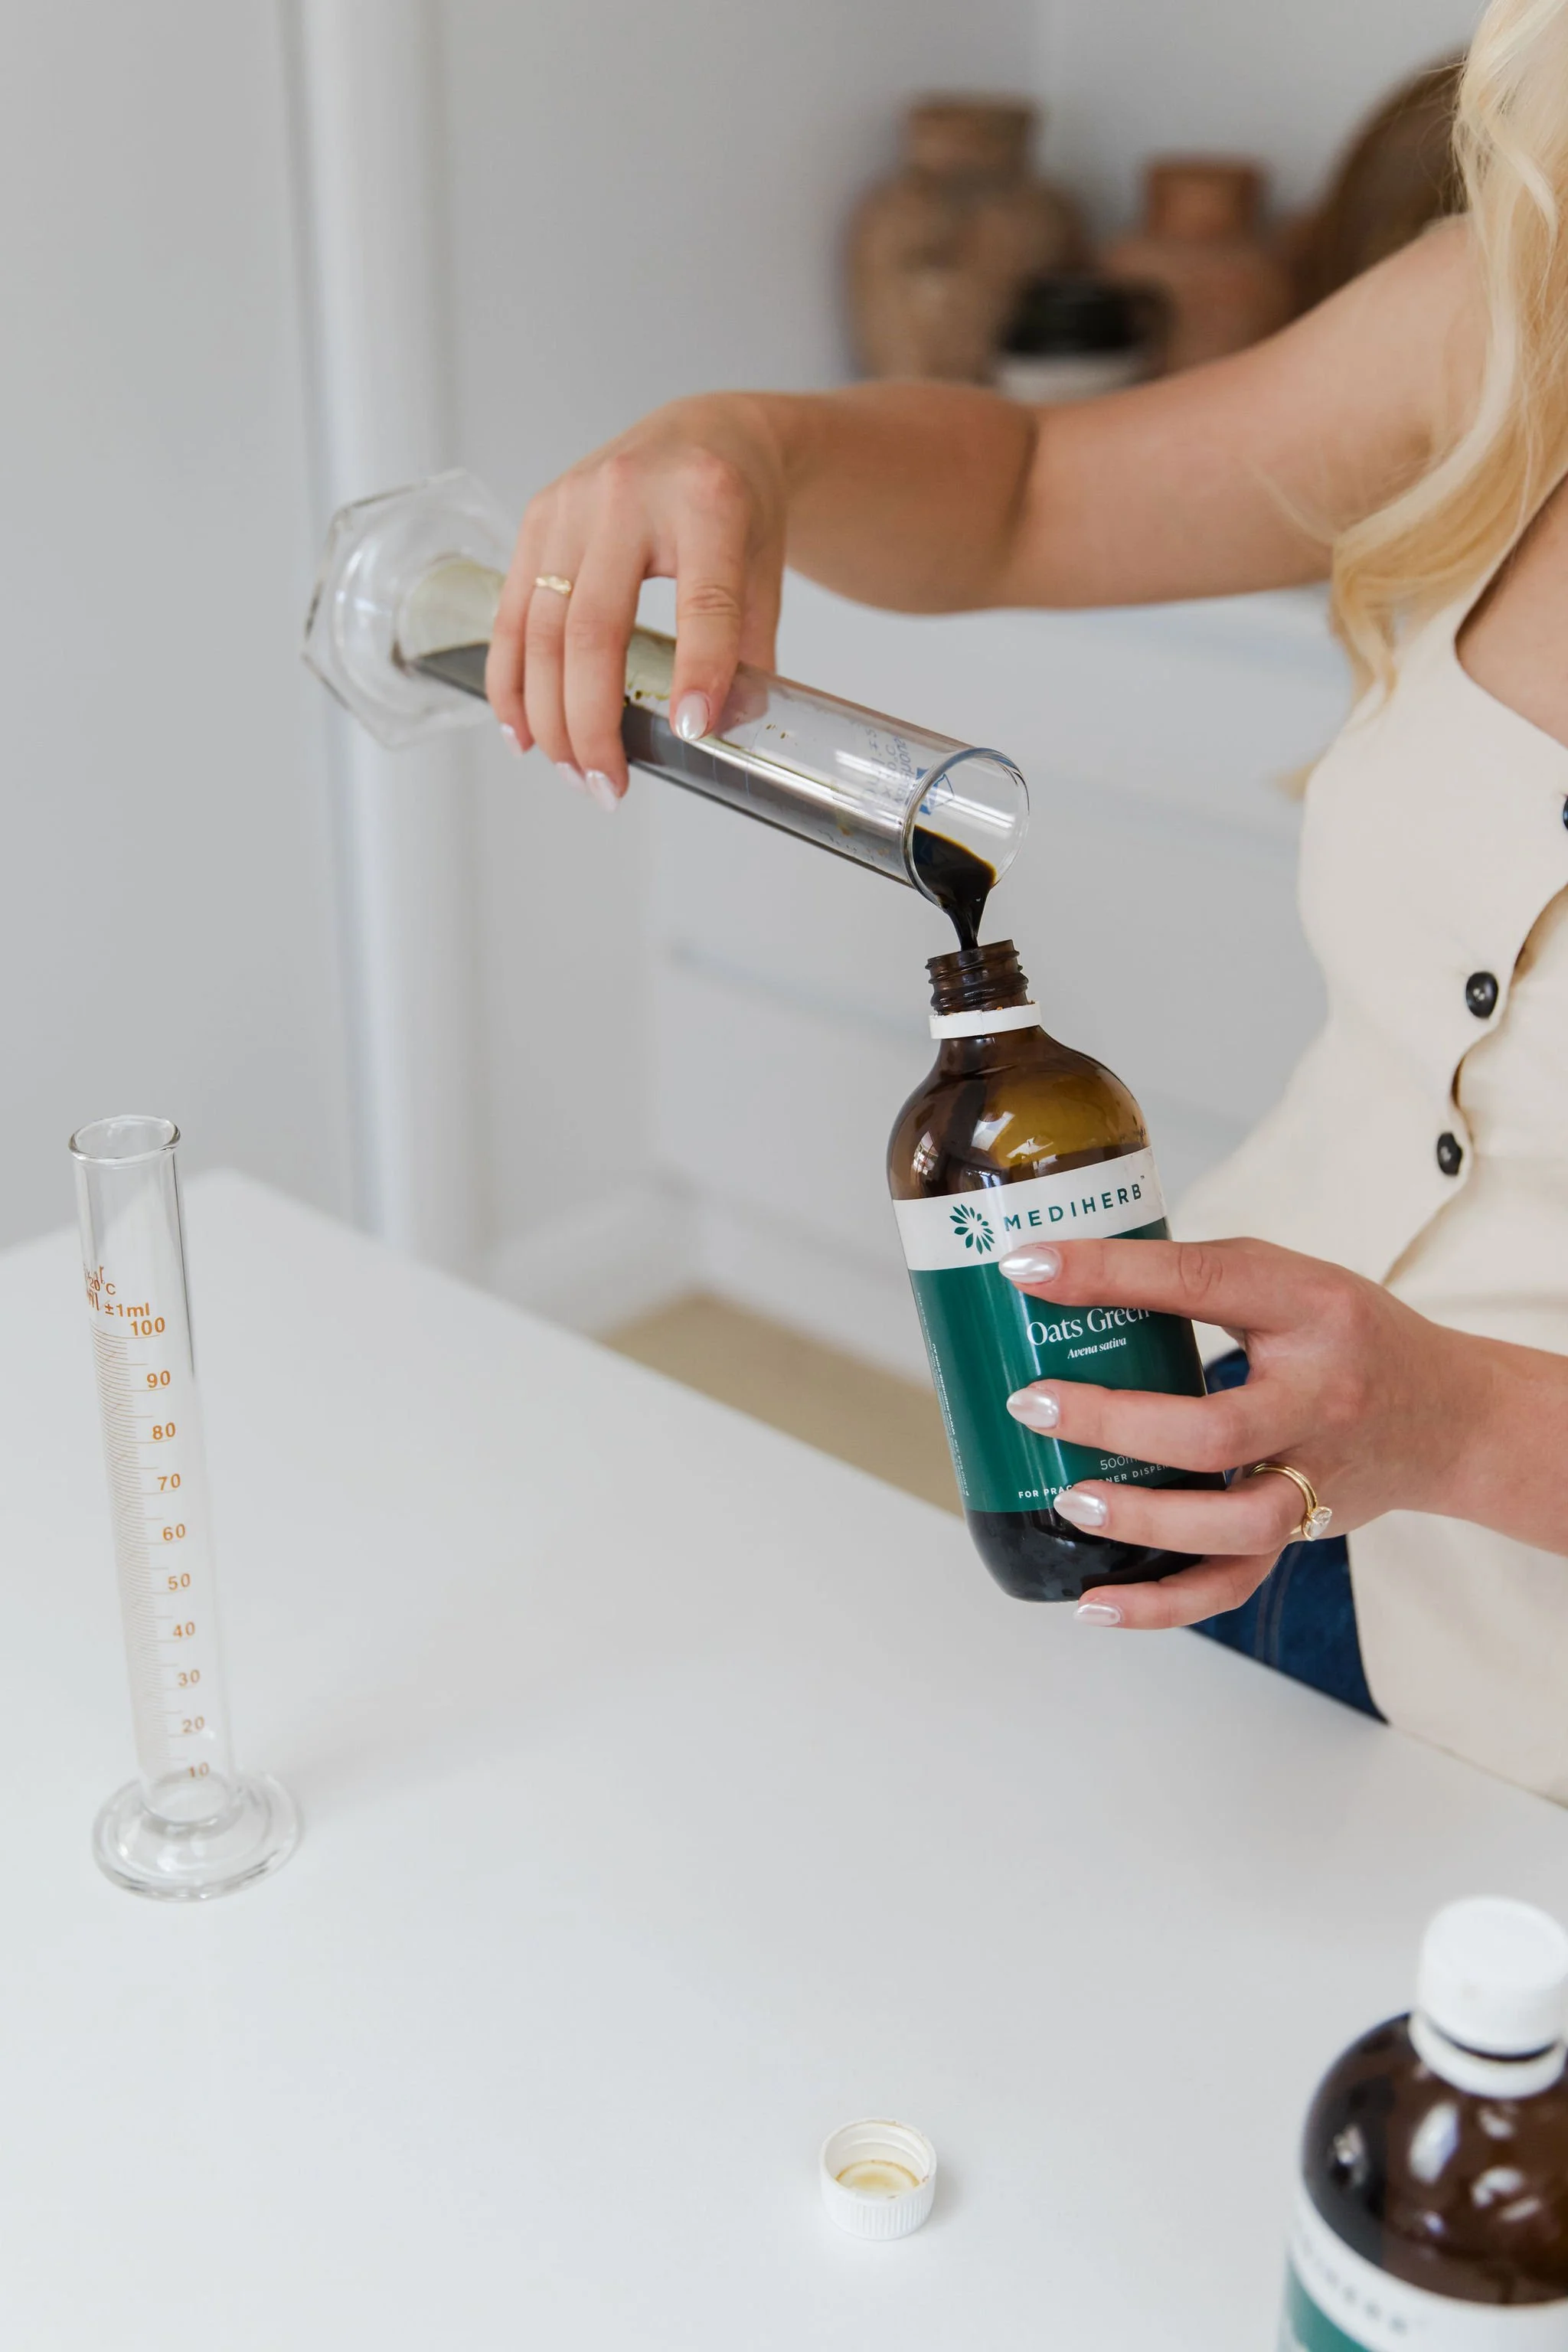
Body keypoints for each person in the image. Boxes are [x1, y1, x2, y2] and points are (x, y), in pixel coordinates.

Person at [486, 0, 1568, 1802]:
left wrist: (1453, 1425)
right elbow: (1024, 494)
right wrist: (749, 442)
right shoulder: (1517, 314)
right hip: (1216, 1499)